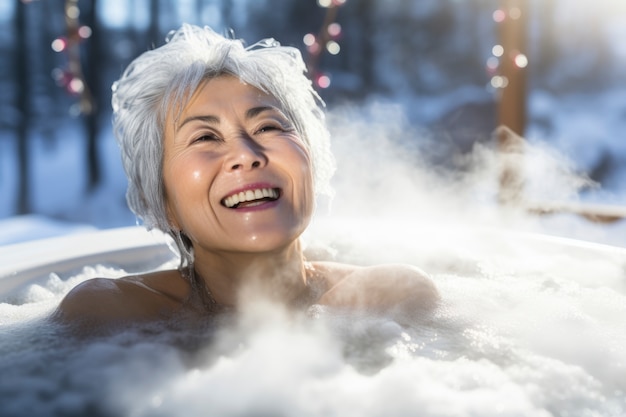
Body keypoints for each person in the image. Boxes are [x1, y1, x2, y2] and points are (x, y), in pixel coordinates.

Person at [53, 24, 438, 331]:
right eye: (205, 137)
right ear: (164, 202)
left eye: (269, 127)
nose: (245, 155)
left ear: (311, 162)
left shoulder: (390, 299)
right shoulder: (113, 315)